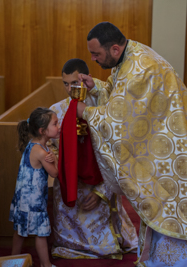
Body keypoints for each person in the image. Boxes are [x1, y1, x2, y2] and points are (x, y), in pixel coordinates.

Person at [76, 22, 187, 266]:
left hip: (169, 151)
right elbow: (122, 94)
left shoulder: (140, 68)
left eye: (96, 54)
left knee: (169, 203)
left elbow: (119, 119)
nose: (93, 59)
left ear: (114, 49)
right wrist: (98, 86)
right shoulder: (130, 56)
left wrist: (86, 112)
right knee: (164, 203)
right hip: (165, 138)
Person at [48, 58, 138, 259]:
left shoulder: (103, 107)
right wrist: (59, 162)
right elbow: (47, 144)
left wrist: (100, 193)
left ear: (85, 79)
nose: (69, 88)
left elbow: (116, 153)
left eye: (74, 83)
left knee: (105, 240)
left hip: (99, 178)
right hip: (70, 178)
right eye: (65, 83)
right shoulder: (56, 110)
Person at [9, 107, 59, 267]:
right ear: (43, 131)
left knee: (20, 230)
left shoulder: (33, 144)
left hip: (23, 198)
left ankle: (12, 260)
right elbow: (55, 173)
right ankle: (45, 264)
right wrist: (55, 159)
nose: (58, 126)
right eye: (55, 124)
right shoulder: (42, 152)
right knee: (40, 233)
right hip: (34, 201)